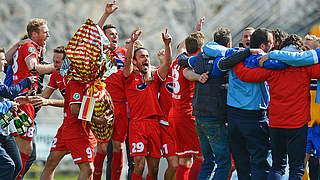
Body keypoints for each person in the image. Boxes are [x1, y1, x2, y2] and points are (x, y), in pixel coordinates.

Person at [233, 34, 320, 180]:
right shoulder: (305, 67)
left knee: (277, 166)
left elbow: (245, 75)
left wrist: (236, 60)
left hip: (276, 123)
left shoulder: (272, 67)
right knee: (296, 168)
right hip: (298, 124)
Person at [5, 17, 54, 180]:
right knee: (24, 150)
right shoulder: (29, 46)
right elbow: (34, 69)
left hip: (25, 101)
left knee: (26, 151)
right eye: (45, 32)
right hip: (22, 101)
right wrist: (56, 67)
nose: (48, 35)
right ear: (34, 34)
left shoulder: (29, 47)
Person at [123, 27, 172, 180]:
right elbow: (126, 63)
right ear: (134, 61)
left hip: (154, 124)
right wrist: (131, 43)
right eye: (142, 56)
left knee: (154, 168)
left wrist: (167, 44)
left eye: (147, 56)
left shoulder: (155, 75)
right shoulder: (129, 76)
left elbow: (168, 63)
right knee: (139, 164)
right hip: (137, 124)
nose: (146, 59)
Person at [169, 32, 204, 180]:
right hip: (187, 115)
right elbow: (187, 74)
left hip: (175, 114)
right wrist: (198, 77)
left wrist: (195, 32)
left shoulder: (178, 59)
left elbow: (182, 47)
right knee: (202, 156)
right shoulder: (191, 63)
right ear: (201, 48)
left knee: (185, 160)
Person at [0, 47, 32, 180]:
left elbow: (6, 96)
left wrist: (23, 98)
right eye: (2, 59)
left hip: (4, 131)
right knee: (8, 166)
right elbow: (8, 92)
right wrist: (27, 81)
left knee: (17, 166)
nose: (5, 62)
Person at [156, 48, 178, 180]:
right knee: (174, 165)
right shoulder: (166, 72)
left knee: (186, 163)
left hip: (182, 125)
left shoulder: (188, 72)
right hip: (165, 125)